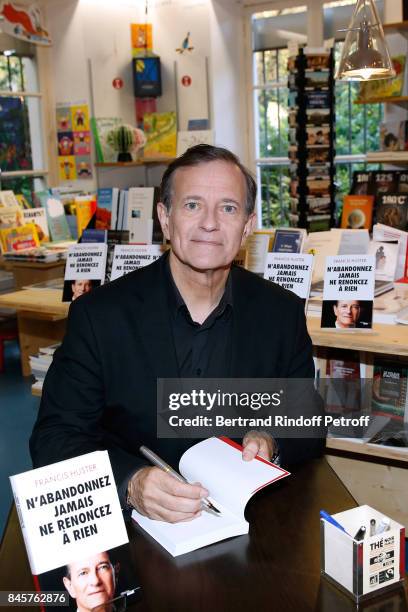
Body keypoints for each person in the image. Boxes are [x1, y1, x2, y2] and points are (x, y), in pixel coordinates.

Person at [30, 144, 325, 524]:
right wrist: (131, 483)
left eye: (229, 208)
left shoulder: (280, 311)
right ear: (165, 218)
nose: (210, 222)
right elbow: (55, 437)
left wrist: (271, 439)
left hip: (250, 525)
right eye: (192, 205)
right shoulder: (100, 316)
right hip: (137, 530)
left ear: (248, 226)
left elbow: (307, 414)